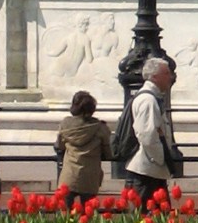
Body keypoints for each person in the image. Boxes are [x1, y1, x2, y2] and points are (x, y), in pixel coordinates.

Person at [123, 56, 178, 202]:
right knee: (144, 212)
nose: (171, 77)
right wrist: (161, 159)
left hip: (151, 169)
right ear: (154, 77)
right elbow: (147, 135)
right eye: (166, 73)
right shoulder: (148, 100)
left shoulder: (151, 98)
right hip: (147, 171)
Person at [54, 89, 113, 205]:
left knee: (64, 213)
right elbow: (108, 152)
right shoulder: (100, 128)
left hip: (69, 175)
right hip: (90, 177)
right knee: (88, 212)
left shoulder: (65, 125)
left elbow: (59, 146)